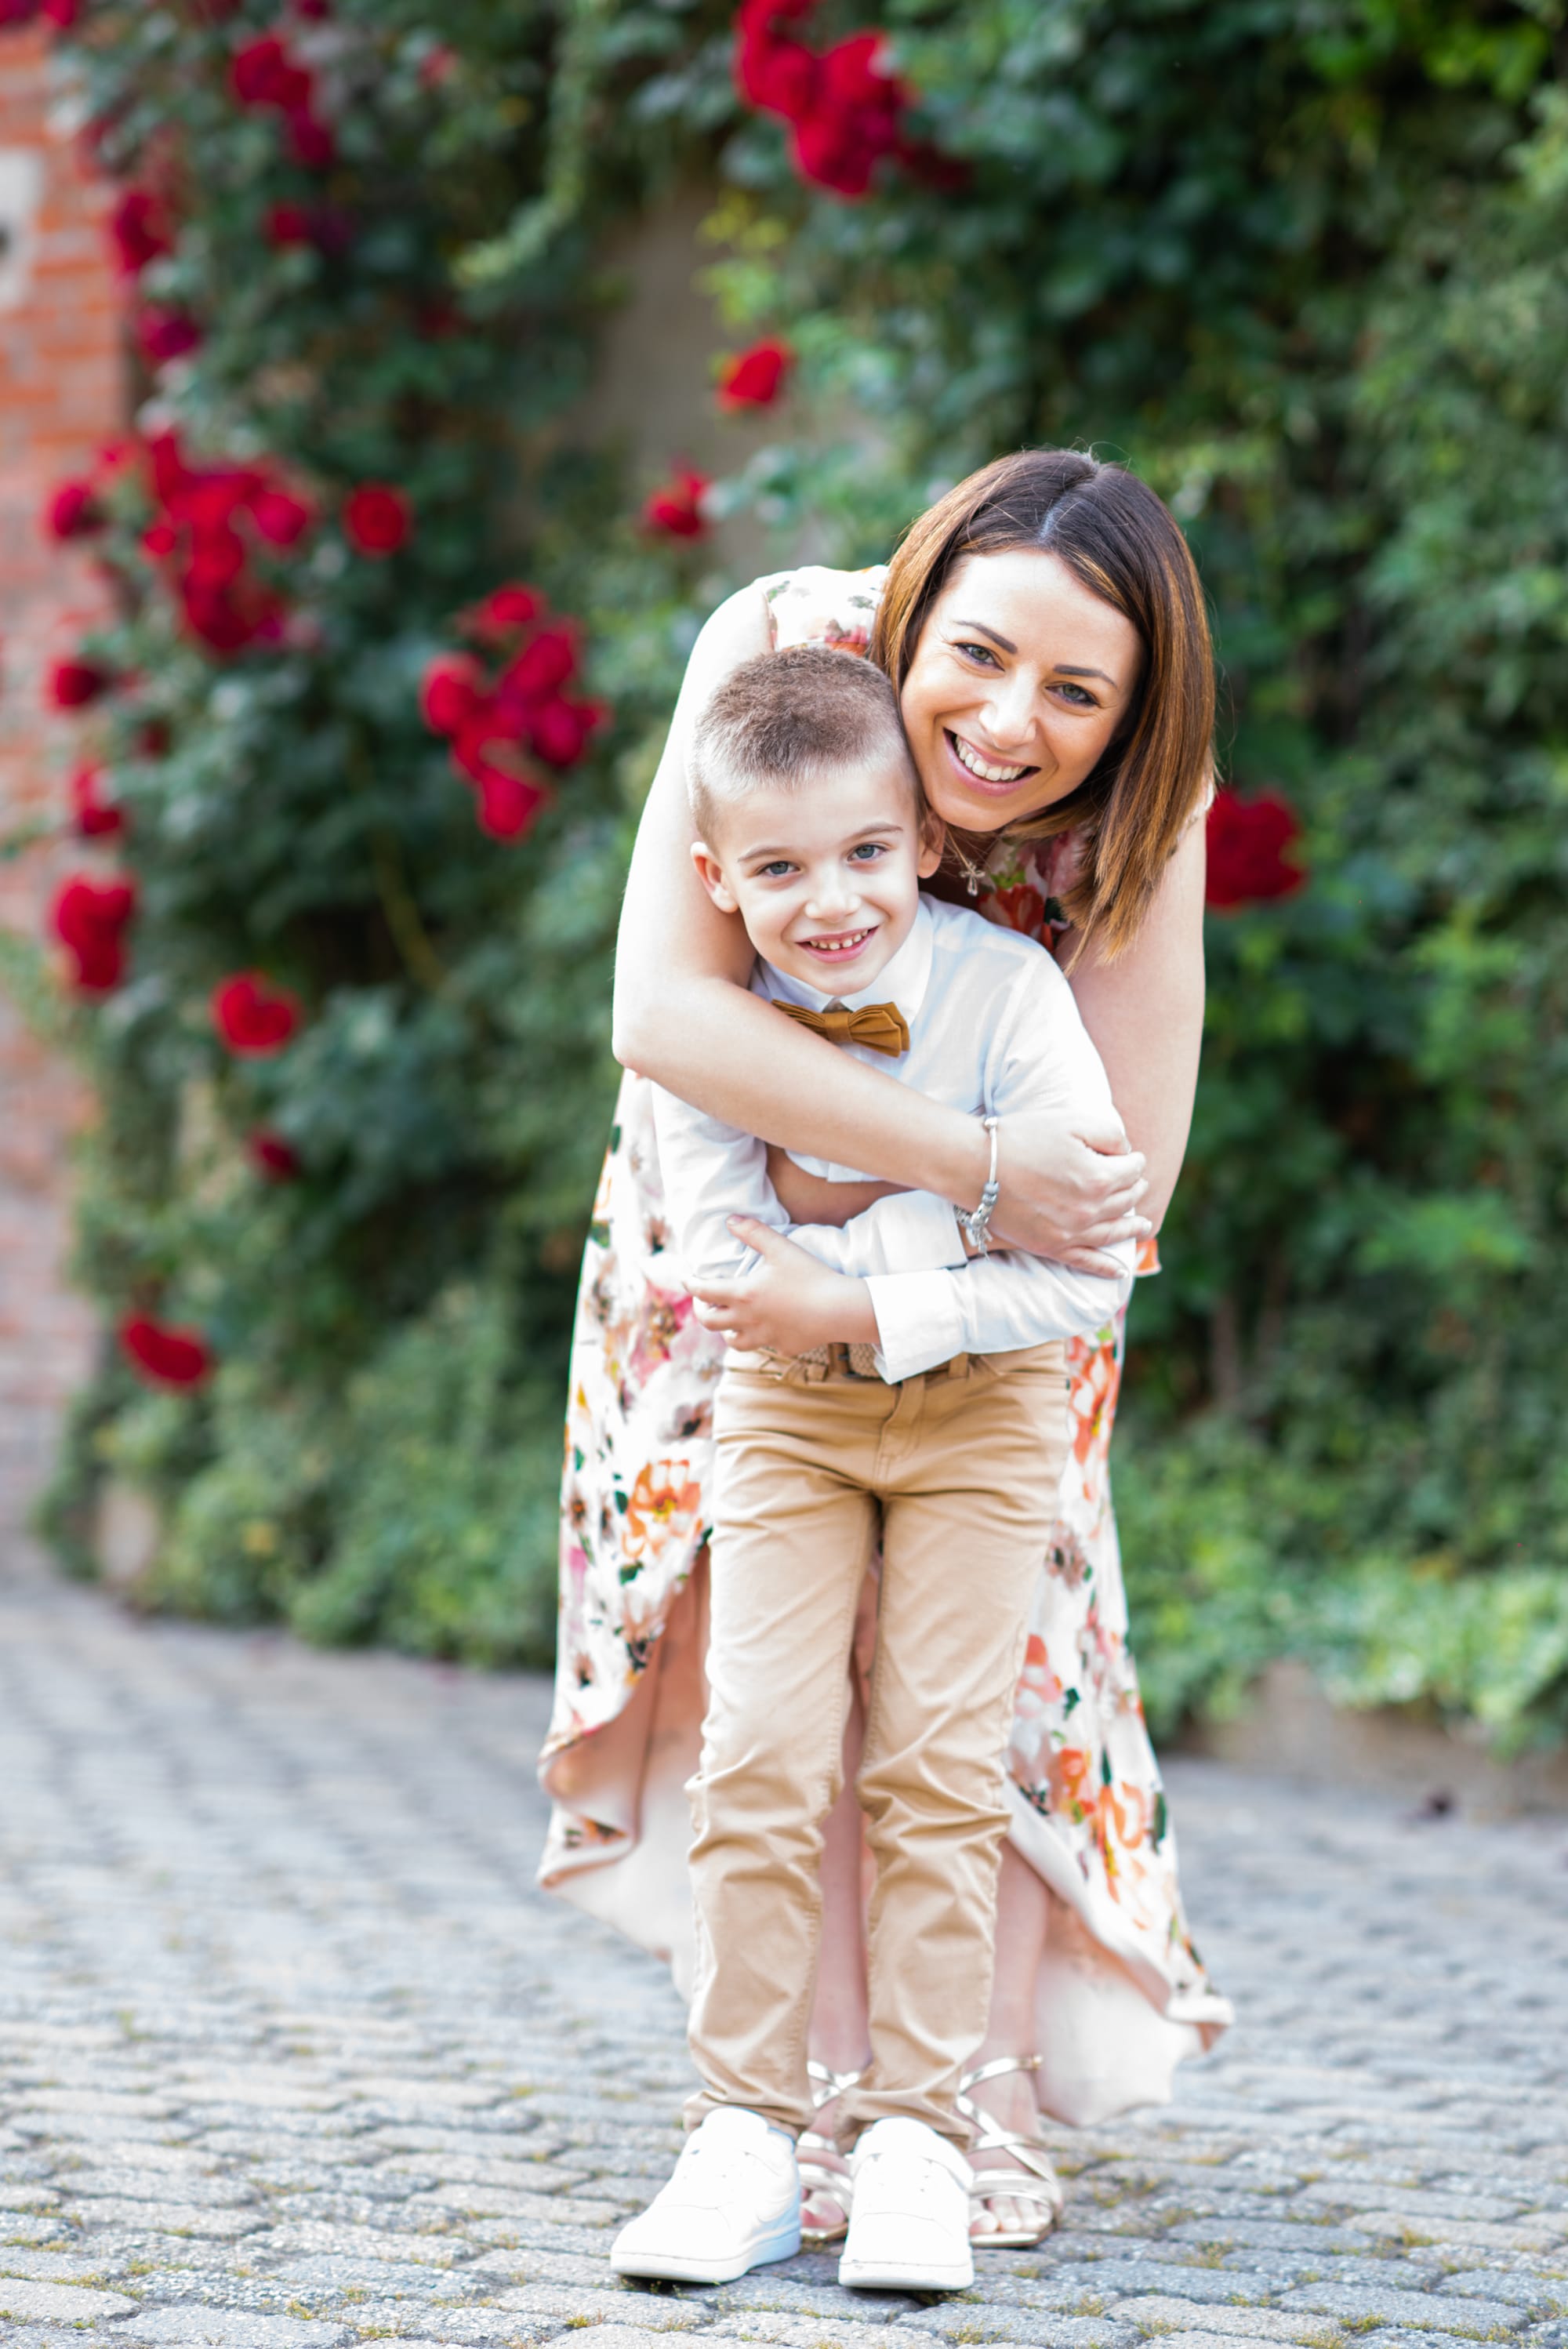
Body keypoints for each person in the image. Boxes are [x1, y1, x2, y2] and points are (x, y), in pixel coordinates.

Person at [539, 446, 1233, 2251]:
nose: (1012, 724)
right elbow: (664, 1007)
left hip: (996, 1323)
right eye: (980, 658)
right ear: (915, 607)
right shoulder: (783, 649)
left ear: (1137, 708)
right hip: (729, 1246)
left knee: (975, 1686)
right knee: (772, 1694)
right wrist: (967, 1162)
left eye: (1078, 691)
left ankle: (972, 2093)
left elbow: (1113, 1193)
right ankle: (807, 2101)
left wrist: (902, 1244)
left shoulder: (1145, 807)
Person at [609, 642, 1135, 2291]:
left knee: (937, 1766)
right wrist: (957, 1214)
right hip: (785, 1414)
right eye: (774, 869)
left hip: (986, 1418)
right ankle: (744, 2131)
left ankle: (915, 2138)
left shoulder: (1010, 996)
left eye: (856, 853)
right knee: (760, 1753)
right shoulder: (713, 1038)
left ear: (916, 837)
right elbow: (726, 1268)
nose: (826, 901)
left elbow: (1089, 1272)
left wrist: (852, 1255)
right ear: (716, 877)